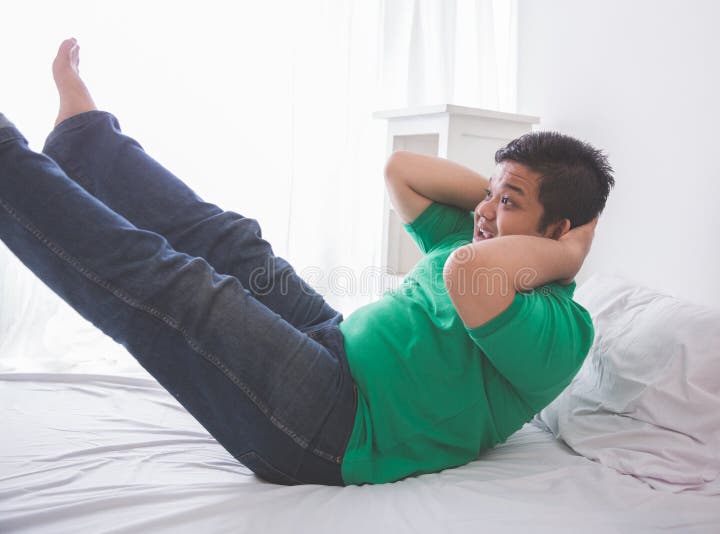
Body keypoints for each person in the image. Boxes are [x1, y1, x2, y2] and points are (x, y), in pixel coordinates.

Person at [0, 38, 614, 487]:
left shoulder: (561, 329)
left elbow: (467, 278)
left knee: (187, 290)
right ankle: (84, 142)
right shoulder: (473, 239)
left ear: (558, 231)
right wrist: (499, 197)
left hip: (338, 428)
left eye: (508, 203)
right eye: (490, 194)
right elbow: (402, 172)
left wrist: (566, 255)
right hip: (331, 343)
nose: (482, 212)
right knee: (234, 244)